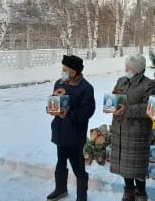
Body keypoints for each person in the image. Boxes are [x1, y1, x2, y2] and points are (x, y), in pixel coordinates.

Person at [47, 55, 95, 201]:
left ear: (74, 72)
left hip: (74, 135)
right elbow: (52, 102)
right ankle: (60, 189)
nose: (62, 72)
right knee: (60, 163)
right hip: (60, 132)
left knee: (78, 168)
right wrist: (51, 108)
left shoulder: (86, 88)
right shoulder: (59, 83)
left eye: (65, 70)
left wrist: (69, 114)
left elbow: (88, 111)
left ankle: (82, 197)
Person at [109, 54, 155, 201]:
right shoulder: (121, 81)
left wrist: (127, 109)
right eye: (126, 66)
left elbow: (149, 108)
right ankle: (128, 190)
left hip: (137, 131)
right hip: (121, 128)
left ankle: (141, 192)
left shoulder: (148, 84)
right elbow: (115, 98)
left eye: (129, 67)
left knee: (137, 165)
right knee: (124, 163)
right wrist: (110, 105)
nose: (126, 69)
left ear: (138, 69)